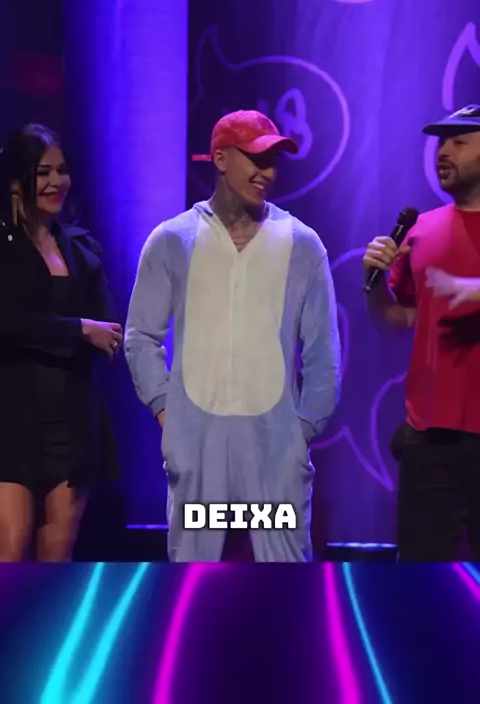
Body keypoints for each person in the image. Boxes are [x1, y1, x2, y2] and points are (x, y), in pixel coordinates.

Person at [124, 109, 341, 562]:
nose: (267, 173)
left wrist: (302, 430)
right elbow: (141, 335)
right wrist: (167, 412)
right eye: (256, 159)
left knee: (283, 575)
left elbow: (323, 352)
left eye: (273, 162)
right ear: (220, 159)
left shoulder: (302, 244)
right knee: (193, 575)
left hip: (275, 450)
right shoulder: (173, 240)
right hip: (198, 445)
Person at [0, 123, 123, 562]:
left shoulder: (82, 248)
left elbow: (108, 330)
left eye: (62, 170)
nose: (57, 181)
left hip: (72, 417)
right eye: (43, 172)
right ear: (17, 181)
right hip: (11, 416)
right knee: (11, 546)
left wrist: (68, 331)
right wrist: (77, 330)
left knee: (58, 553)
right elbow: (7, 323)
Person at [363, 104, 480, 561]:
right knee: (422, 576)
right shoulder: (422, 230)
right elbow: (400, 319)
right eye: (440, 142)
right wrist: (374, 287)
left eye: (459, 141)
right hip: (429, 436)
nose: (443, 151)